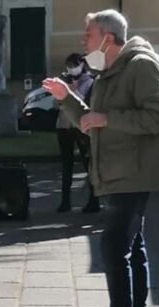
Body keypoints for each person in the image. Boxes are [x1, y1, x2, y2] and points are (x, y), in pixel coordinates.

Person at [43, 9, 159, 307]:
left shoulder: (140, 65)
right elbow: (92, 121)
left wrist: (106, 118)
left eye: (88, 33)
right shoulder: (109, 72)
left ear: (108, 38)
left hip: (130, 174)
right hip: (117, 173)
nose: (83, 39)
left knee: (115, 252)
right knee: (132, 251)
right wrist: (66, 97)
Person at [55, 53, 100, 213]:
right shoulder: (64, 79)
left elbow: (84, 100)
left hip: (81, 126)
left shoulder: (89, 81)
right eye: (69, 66)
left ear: (82, 65)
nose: (71, 69)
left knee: (88, 164)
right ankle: (65, 201)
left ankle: (93, 200)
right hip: (64, 126)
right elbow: (58, 101)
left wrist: (70, 92)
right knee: (66, 164)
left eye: (74, 65)